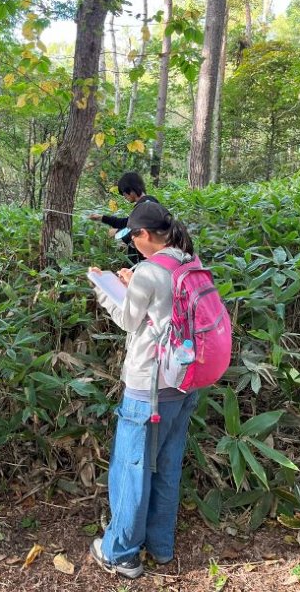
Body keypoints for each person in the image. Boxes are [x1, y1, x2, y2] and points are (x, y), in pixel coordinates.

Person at [88, 201, 198, 579]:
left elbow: (128, 320)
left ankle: (121, 553)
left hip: (148, 387)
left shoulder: (150, 270)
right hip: (184, 382)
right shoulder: (187, 261)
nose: (132, 244)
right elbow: (163, 309)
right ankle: (161, 546)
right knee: (166, 465)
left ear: (144, 235)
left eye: (133, 237)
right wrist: (130, 284)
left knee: (132, 468)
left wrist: (103, 288)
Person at [88, 172, 159, 263]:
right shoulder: (149, 202)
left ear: (132, 190)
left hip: (146, 261)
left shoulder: (144, 206)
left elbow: (141, 232)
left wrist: (117, 233)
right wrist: (101, 218)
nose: (124, 197)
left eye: (124, 193)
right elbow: (127, 222)